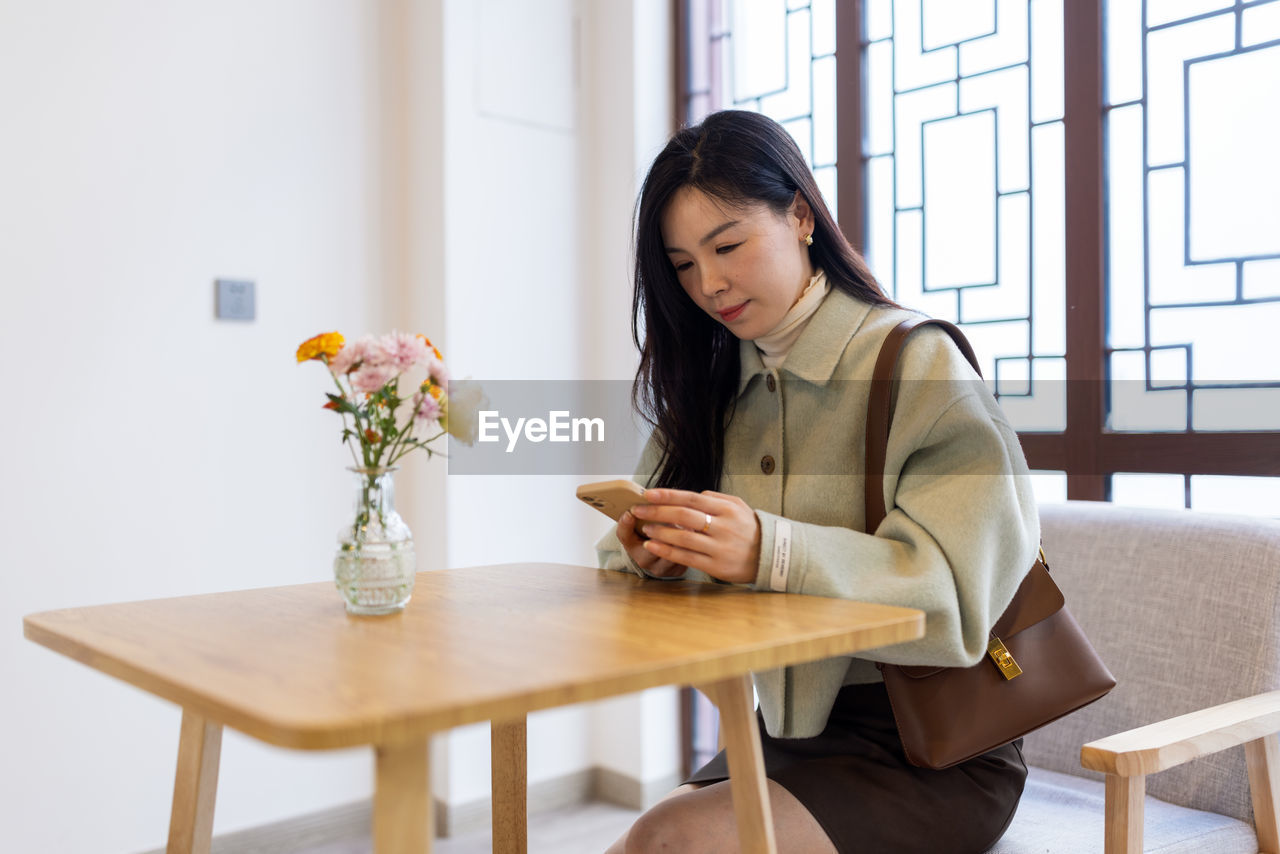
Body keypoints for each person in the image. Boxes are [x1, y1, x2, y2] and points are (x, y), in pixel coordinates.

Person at [595, 109, 1040, 854]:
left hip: (936, 747)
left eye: (727, 245)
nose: (708, 283)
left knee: (666, 842)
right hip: (784, 734)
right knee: (647, 841)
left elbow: (961, 596)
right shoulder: (711, 384)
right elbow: (623, 568)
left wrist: (771, 551)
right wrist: (654, 557)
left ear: (800, 215)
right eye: (681, 264)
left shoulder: (917, 363)